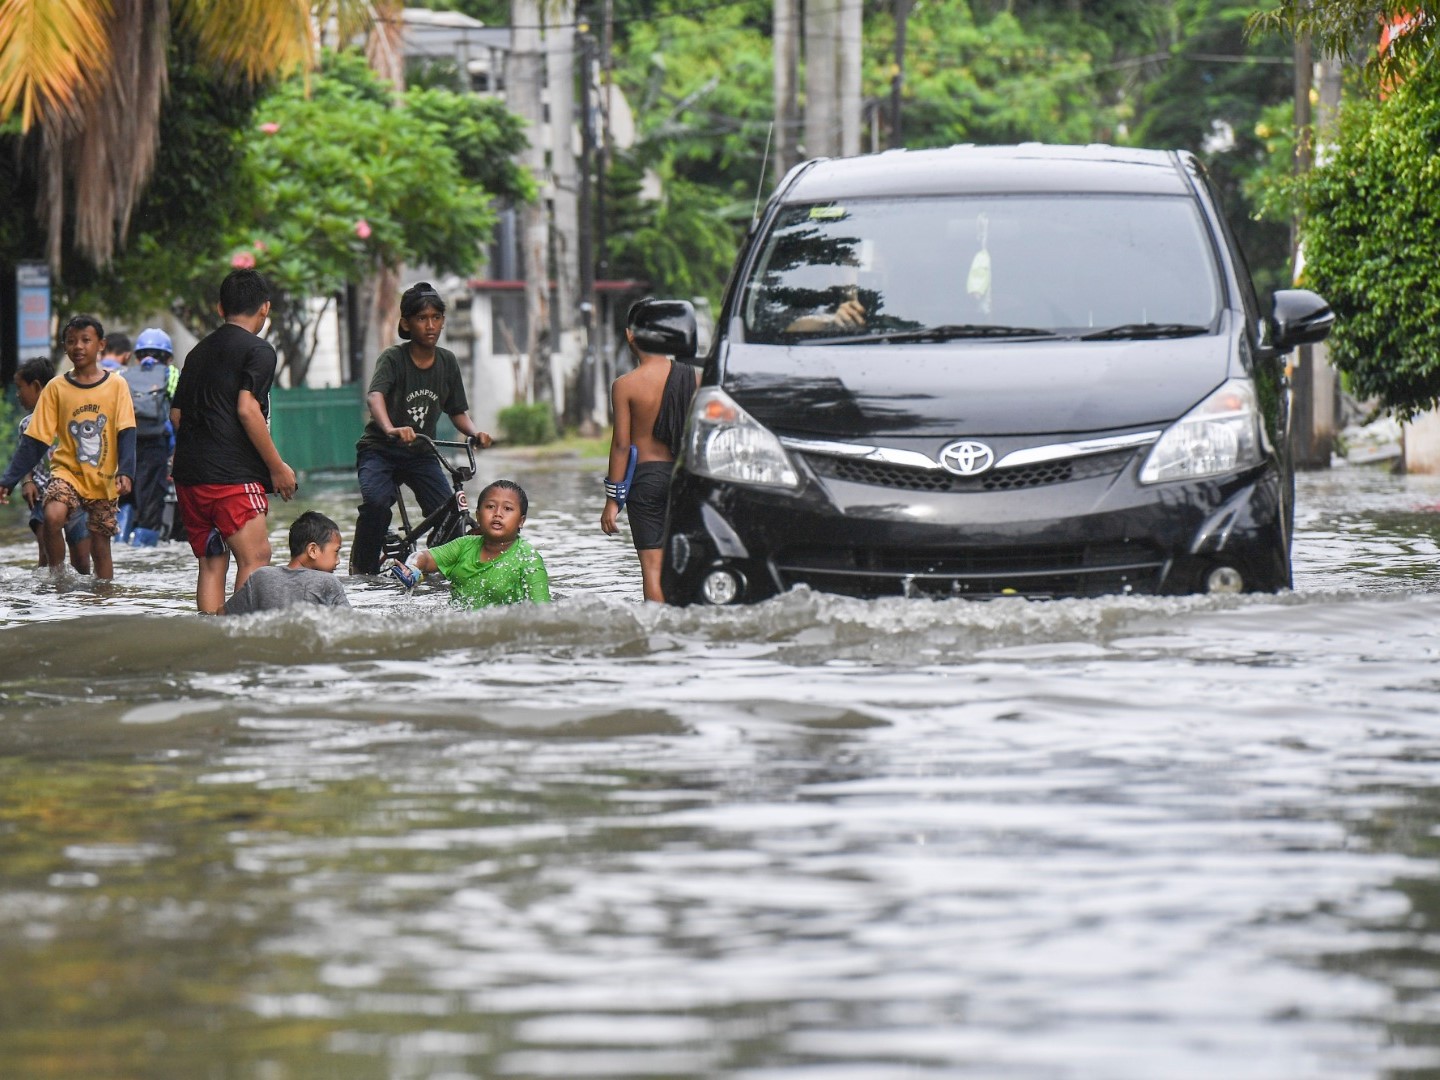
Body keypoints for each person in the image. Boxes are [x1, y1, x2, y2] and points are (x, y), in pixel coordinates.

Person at [170, 268, 298, 614]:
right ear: (265, 308)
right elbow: (247, 409)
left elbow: (177, 416)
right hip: (230, 478)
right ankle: (237, 642)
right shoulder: (259, 351)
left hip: (188, 478)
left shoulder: (197, 353)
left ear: (219, 309)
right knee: (255, 557)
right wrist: (278, 467)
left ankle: (213, 634)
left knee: (212, 562)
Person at [349, 281, 493, 575]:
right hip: (380, 450)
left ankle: (441, 567)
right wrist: (390, 428)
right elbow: (375, 396)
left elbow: (457, 412)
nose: (430, 325)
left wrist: (475, 432)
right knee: (376, 505)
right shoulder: (393, 359)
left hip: (421, 453)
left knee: (451, 513)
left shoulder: (447, 362)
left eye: (436, 318)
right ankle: (362, 571)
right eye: (422, 318)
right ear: (406, 323)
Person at [0, 316, 136, 579]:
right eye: (71, 341)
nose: (78, 347)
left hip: (103, 478)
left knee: (100, 548)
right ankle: (59, 579)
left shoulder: (117, 385)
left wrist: (126, 471)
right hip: (67, 472)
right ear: (64, 347)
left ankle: (103, 601)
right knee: (53, 514)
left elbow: (127, 431)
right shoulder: (56, 388)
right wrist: (9, 479)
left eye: (86, 340)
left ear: (101, 345)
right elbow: (35, 440)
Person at [600, 298, 701, 602]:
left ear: (631, 335)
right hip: (687, 481)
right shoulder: (695, 378)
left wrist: (612, 501)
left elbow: (621, 446)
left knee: (653, 570)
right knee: (691, 565)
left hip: (645, 483)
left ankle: (659, 639)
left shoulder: (625, 385)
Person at [387, 479, 550, 607]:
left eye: (507, 509)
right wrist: (413, 569)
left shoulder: (528, 559)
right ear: (478, 516)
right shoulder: (464, 545)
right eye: (490, 506)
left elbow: (542, 613)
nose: (497, 514)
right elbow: (424, 557)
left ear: (521, 521)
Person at [6, 356, 92, 573]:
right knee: (47, 557)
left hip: (74, 495)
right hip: (41, 497)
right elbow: (24, 457)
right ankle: (50, 595)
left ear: (36, 386)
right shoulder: (26, 424)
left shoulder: (69, 418)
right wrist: (27, 481)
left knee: (82, 562)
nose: (17, 394)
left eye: (20, 388)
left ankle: (80, 602)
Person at [224, 510, 350, 615]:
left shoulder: (261, 576)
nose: (338, 561)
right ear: (312, 550)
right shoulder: (328, 581)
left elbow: (223, 614)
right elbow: (349, 622)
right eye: (336, 552)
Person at [121, 327, 177, 546]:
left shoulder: (122, 376)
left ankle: (120, 539)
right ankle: (144, 549)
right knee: (151, 500)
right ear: (168, 356)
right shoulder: (171, 374)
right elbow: (177, 411)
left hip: (125, 446)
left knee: (125, 495)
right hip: (156, 446)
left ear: (137, 356)